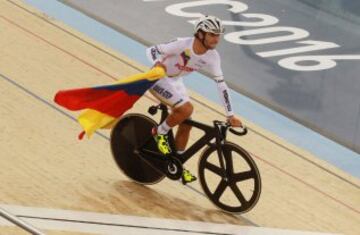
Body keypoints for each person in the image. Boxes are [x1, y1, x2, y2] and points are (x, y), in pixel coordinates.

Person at [146, 15, 243, 184]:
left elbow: (221, 85)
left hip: (175, 82)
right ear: (200, 34)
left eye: (218, 35)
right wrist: (157, 63)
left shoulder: (213, 57)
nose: (216, 39)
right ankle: (159, 132)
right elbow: (152, 50)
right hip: (158, 79)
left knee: (186, 123)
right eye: (212, 34)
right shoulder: (183, 44)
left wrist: (230, 115)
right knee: (186, 109)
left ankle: (177, 163)